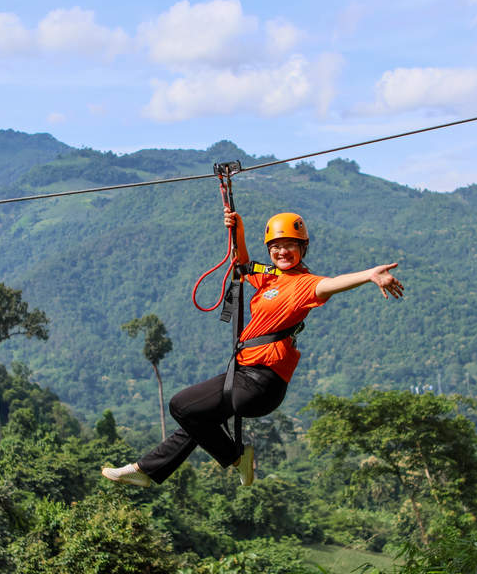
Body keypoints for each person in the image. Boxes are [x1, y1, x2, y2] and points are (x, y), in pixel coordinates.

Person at [102, 208, 404, 487]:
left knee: (181, 405)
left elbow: (333, 283)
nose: (282, 251)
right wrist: (238, 227)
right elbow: (242, 264)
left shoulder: (303, 285)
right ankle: (146, 470)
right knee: (196, 419)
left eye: (290, 245)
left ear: (303, 248)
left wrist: (368, 275)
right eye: (275, 246)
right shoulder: (270, 277)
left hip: (260, 382)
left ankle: (235, 456)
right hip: (243, 374)